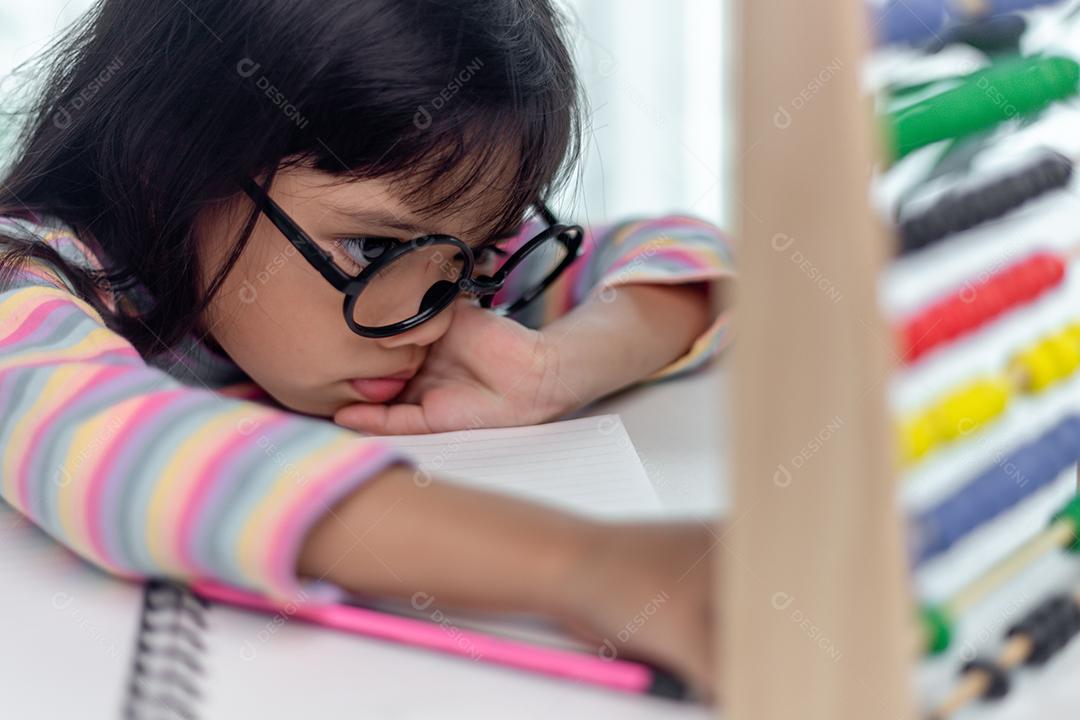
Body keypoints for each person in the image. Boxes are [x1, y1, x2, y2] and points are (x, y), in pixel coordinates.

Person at [0, 0, 733, 695]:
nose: (431, 323)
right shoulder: (22, 281)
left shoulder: (435, 267)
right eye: (370, 248)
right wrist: (585, 565)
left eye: (474, 257)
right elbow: (119, 448)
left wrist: (560, 367)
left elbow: (688, 256)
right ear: (165, 164)